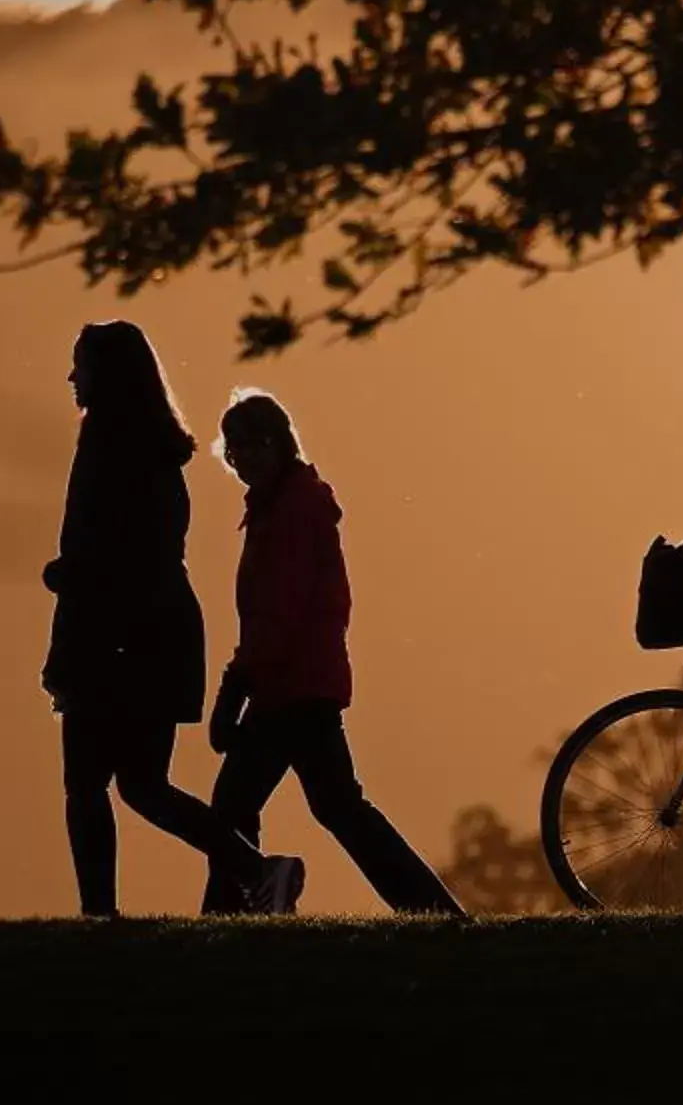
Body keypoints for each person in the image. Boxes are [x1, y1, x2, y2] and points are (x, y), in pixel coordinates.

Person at [44, 321, 302, 918]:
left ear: (105, 376)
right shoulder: (158, 451)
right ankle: (258, 870)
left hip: (115, 641)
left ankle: (99, 915)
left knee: (87, 785)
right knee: (143, 785)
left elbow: (109, 554)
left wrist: (66, 577)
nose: (72, 378)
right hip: (159, 638)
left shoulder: (108, 447)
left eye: (79, 366)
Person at [202, 392, 466, 915]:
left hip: (291, 685)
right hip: (296, 683)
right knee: (332, 807)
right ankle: (430, 909)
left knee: (241, 806)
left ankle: (231, 914)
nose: (241, 463)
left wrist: (235, 687)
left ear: (276, 443)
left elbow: (279, 607)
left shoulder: (294, 509)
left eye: (249, 448)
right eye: (232, 453)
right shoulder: (280, 504)